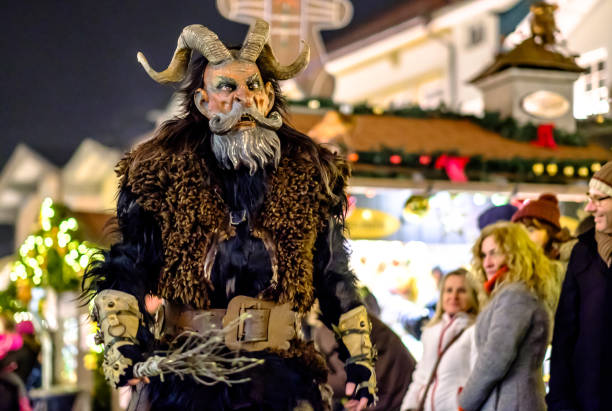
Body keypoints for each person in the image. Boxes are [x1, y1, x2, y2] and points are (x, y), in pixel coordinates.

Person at [82, 19, 376, 411]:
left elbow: (333, 275)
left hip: (281, 379)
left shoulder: (311, 177)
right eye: (227, 87)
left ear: (269, 97)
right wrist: (123, 345)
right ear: (204, 103)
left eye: (253, 86)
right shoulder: (159, 176)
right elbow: (126, 265)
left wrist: (360, 362)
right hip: (189, 377)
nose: (243, 98)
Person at [458, 222, 557, 411]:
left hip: (511, 402)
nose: (487, 262)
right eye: (483, 255)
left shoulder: (516, 295)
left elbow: (495, 357)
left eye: (494, 253)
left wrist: (465, 403)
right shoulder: (514, 293)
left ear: (514, 253)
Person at [547, 161, 612, 411]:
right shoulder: (583, 253)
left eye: (599, 199)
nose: (589, 207)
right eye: (589, 198)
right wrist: (561, 402)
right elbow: (565, 335)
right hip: (586, 399)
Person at [313, 289, 416, 411]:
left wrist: (311, 381)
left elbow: (347, 380)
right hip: (405, 389)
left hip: (392, 399)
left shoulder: (331, 327)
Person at [402, 269, 479, 411]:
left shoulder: (475, 331)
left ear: (473, 295)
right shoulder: (430, 331)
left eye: (461, 290)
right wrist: (408, 406)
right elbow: (421, 376)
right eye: (448, 290)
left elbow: (478, 379)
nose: (453, 296)